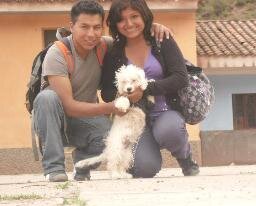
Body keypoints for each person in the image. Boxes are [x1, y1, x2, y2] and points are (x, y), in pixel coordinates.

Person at [33, 0, 172, 182]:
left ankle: (82, 165)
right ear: (72, 26)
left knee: (110, 137)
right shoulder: (58, 53)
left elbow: (131, 35)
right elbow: (69, 107)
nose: (91, 34)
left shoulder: (104, 46)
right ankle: (54, 168)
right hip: (54, 119)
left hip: (86, 120)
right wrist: (112, 107)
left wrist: (151, 27)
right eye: (84, 27)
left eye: (97, 27)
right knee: (47, 98)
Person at [101, 0, 200, 178]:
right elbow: (107, 92)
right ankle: (141, 155)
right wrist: (124, 93)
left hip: (166, 111)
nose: (129, 24)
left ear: (144, 16)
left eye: (134, 16)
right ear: (115, 24)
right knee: (145, 169)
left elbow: (180, 78)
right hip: (135, 121)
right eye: (122, 19)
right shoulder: (114, 53)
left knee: (170, 131)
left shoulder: (162, 40)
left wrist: (145, 90)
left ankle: (185, 157)